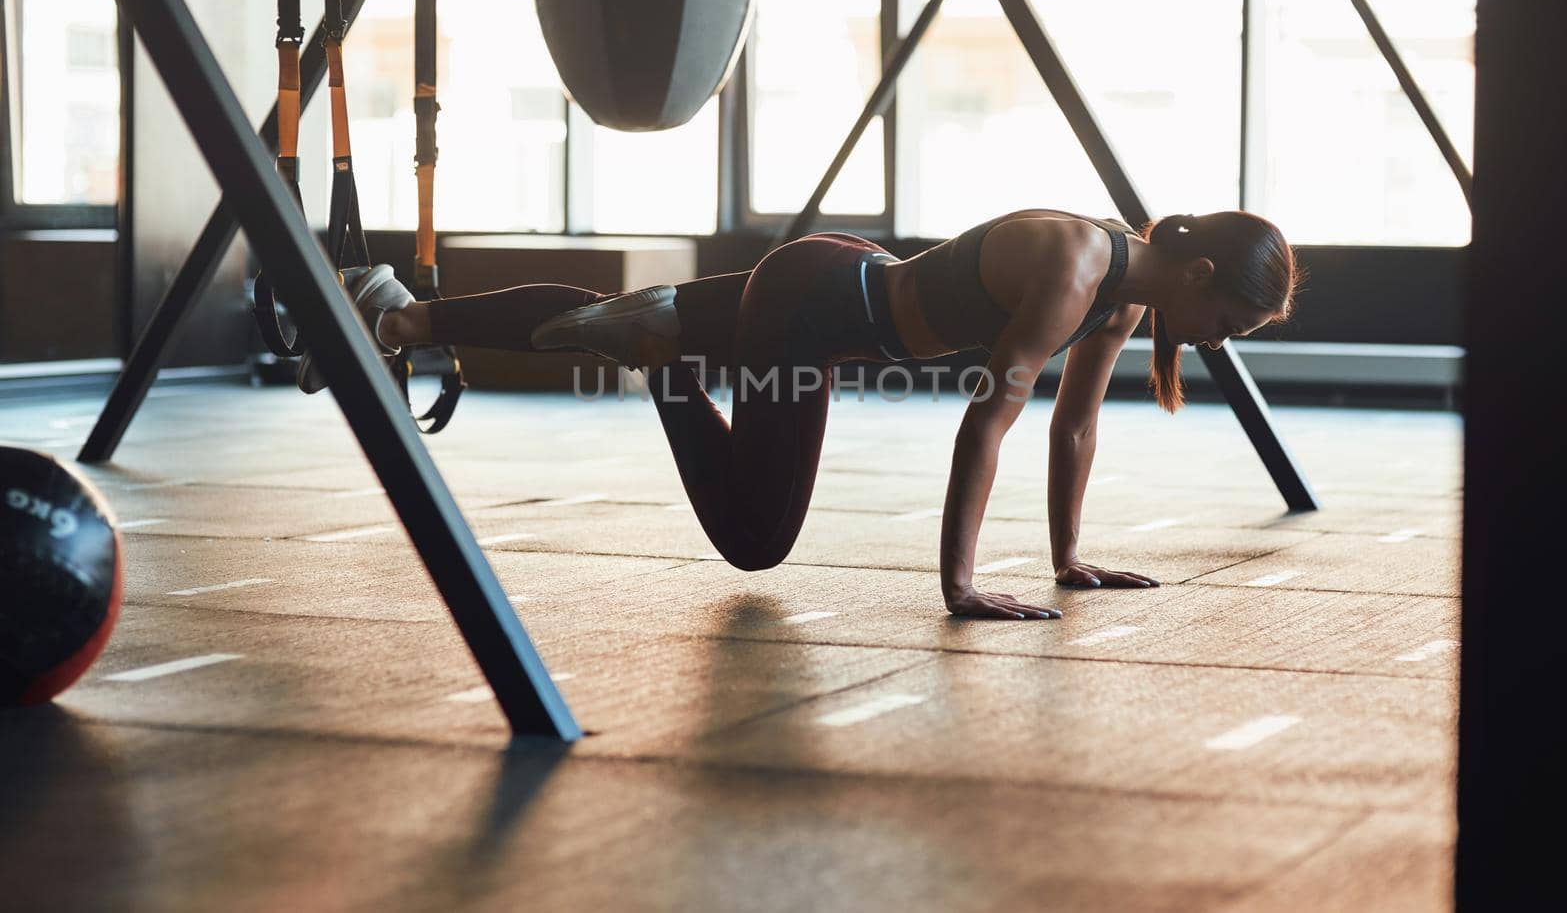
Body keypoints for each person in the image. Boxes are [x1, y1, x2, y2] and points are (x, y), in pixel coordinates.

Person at [304, 208, 1300, 620]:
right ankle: (659, 357)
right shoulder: (1075, 267)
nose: (1219, 339)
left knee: (590, 321)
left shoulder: (1124, 295)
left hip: (827, 284)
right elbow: (987, 422)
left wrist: (1065, 559)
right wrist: (959, 586)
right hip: (817, 307)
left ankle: (400, 316)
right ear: (1200, 273)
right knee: (755, 544)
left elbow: (1073, 426)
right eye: (1228, 321)